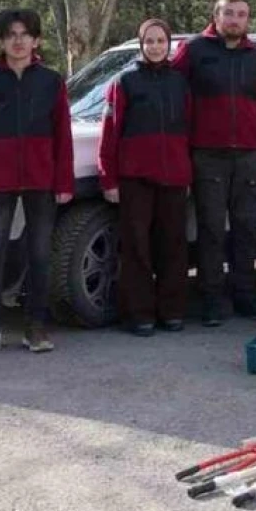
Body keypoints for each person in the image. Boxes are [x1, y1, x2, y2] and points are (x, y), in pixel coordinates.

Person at [0, 9, 74, 358]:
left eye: (25, 34)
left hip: (42, 180)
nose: (18, 40)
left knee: (39, 254)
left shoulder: (51, 81)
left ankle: (35, 327)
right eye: (11, 34)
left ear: (36, 40)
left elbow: (62, 137)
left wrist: (63, 181)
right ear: (2, 41)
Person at [172, 0, 256, 327]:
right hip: (207, 156)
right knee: (211, 230)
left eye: (241, 15)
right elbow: (172, 95)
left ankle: (244, 294)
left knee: (246, 228)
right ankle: (211, 299)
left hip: (249, 156)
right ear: (216, 16)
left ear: (248, 20)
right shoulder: (193, 51)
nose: (235, 20)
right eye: (229, 13)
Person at [98, 19, 191, 336]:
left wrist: (187, 169)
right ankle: (139, 314)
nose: (155, 47)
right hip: (135, 177)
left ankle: (173, 311)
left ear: (169, 45)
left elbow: (189, 130)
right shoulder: (124, 82)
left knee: (173, 246)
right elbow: (110, 133)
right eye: (149, 41)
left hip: (175, 176)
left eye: (160, 41)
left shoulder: (180, 82)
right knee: (137, 247)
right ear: (141, 45)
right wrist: (108, 178)